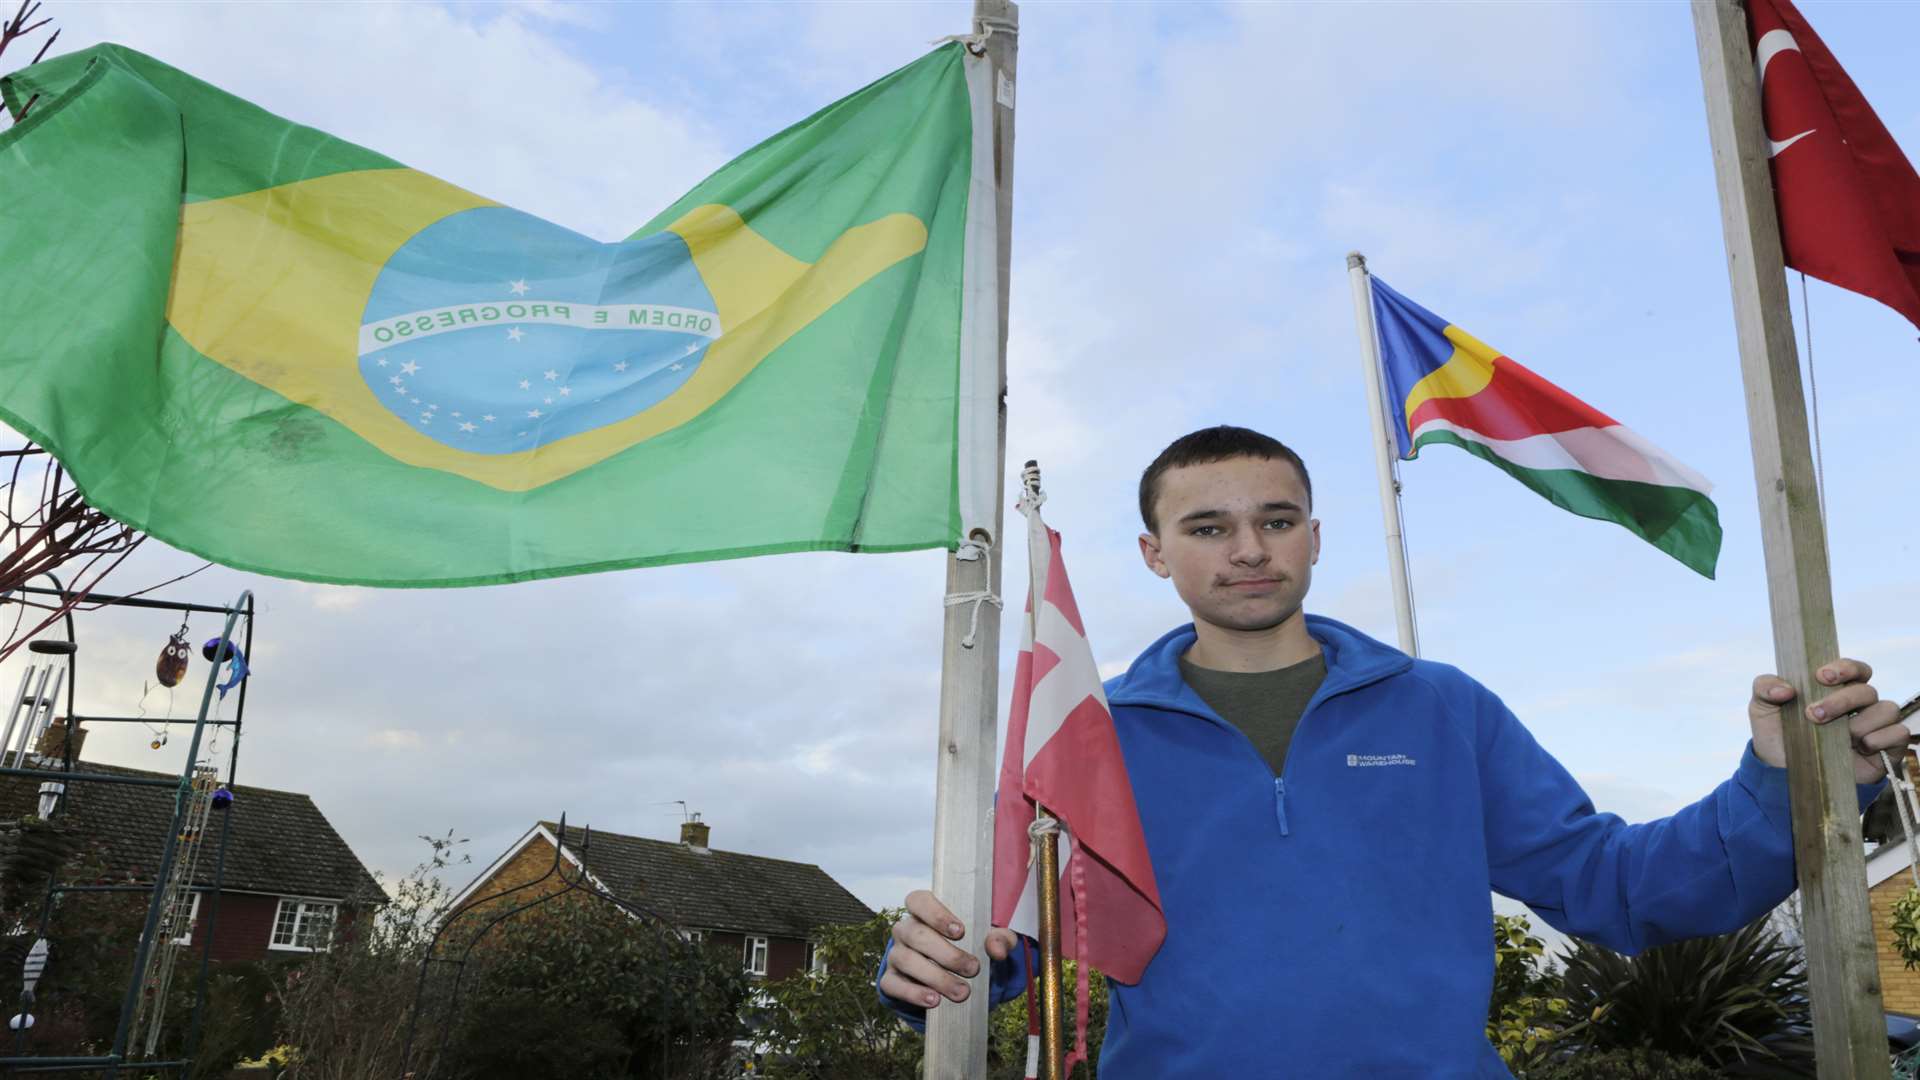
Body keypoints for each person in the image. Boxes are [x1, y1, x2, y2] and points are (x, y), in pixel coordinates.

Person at [875, 425, 1911, 1078]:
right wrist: (933, 962)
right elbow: (1015, 935)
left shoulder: (1442, 710)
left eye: (1276, 519)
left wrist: (1781, 781)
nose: (1247, 549)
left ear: (1315, 537)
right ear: (1155, 554)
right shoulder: (1086, 738)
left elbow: (1618, 887)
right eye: (1207, 527)